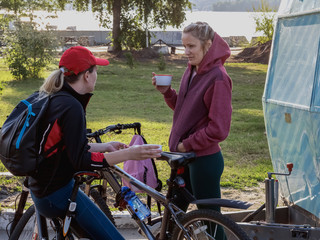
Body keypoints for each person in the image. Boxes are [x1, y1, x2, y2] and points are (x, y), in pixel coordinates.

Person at [28, 46, 161, 240]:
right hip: (56, 194)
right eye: (95, 70)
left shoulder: (56, 97)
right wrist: (131, 154)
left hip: (42, 189)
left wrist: (105, 146)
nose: (97, 75)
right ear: (87, 76)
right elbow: (81, 160)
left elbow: (66, 147)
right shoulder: (71, 107)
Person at [152, 22, 232, 238]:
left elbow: (219, 129)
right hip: (184, 158)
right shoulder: (192, 70)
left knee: (211, 223)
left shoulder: (218, 78)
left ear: (207, 45)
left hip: (203, 161)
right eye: (184, 46)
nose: (186, 52)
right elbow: (186, 110)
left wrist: (186, 144)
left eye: (191, 46)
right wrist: (168, 93)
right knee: (174, 216)